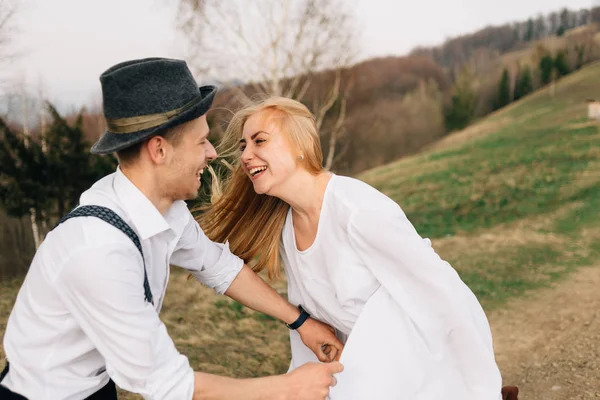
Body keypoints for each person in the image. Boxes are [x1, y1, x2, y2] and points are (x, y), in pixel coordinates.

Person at [0, 58, 344, 400]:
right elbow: (168, 385)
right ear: (159, 150)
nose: (212, 153)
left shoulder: (165, 207)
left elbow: (219, 267)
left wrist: (300, 322)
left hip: (95, 386)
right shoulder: (98, 252)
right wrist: (287, 388)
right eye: (201, 142)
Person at [198, 96, 510, 399]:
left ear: (299, 146)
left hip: (411, 372)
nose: (246, 155)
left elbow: (443, 292)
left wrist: (481, 386)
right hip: (359, 374)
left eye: (259, 141)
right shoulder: (284, 224)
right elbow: (312, 325)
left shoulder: (358, 212)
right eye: (243, 146)